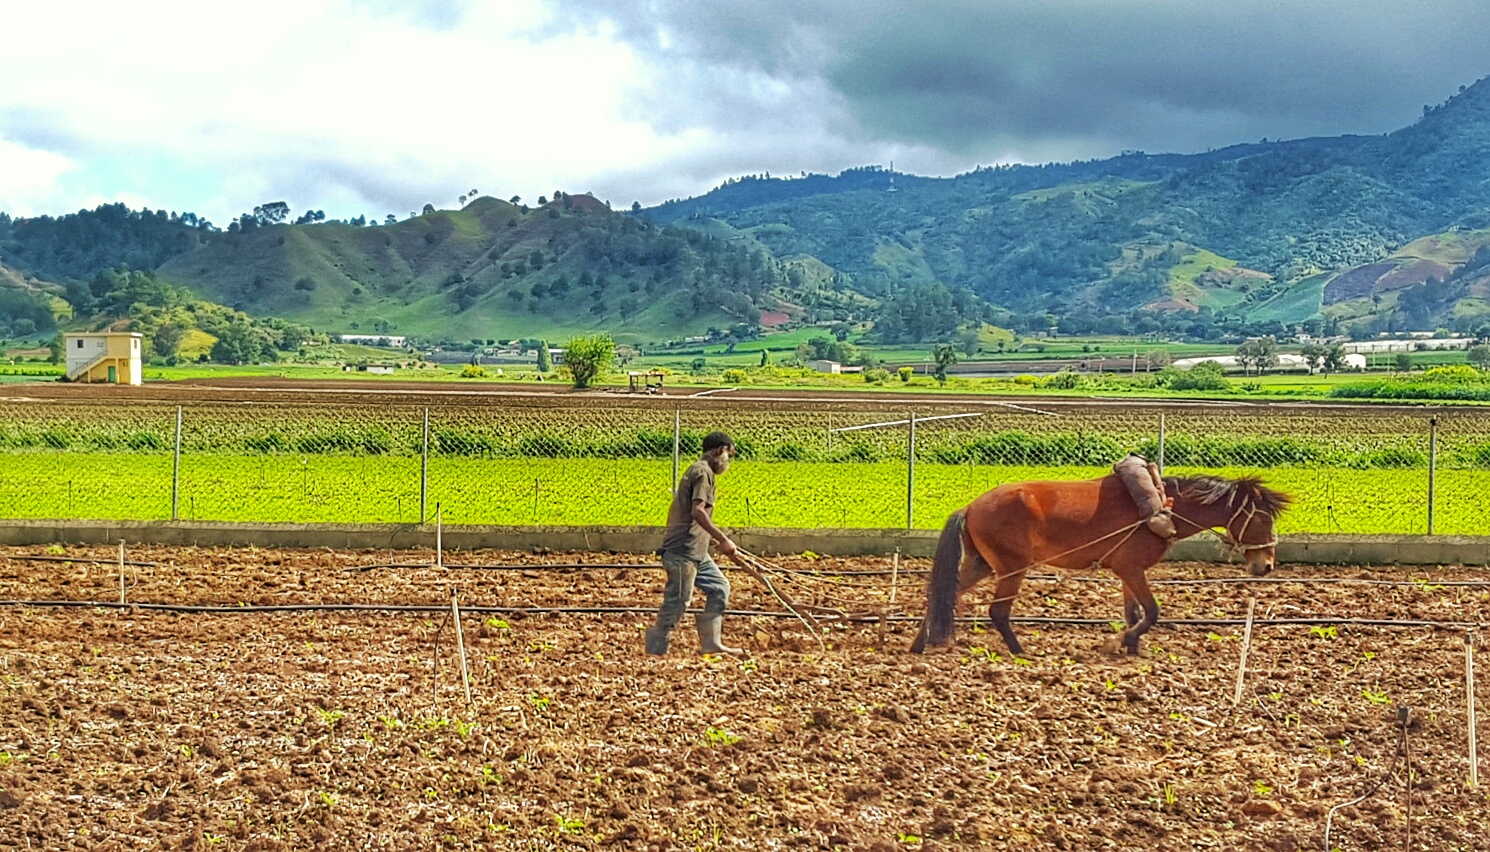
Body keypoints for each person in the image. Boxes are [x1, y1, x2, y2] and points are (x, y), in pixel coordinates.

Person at [644, 431, 744, 656]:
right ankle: (655, 648)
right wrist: (724, 539)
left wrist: (710, 539)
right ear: (719, 450)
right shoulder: (703, 472)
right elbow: (698, 511)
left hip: (696, 550)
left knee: (719, 588)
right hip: (683, 550)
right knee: (679, 600)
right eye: (729, 455)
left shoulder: (698, 470)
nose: (728, 461)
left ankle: (712, 643)